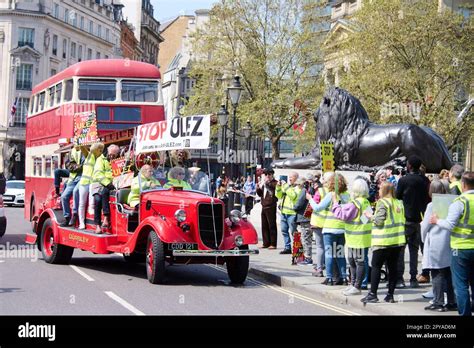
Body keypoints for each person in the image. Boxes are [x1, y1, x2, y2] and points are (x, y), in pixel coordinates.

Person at [430, 172, 474, 316]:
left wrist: (436, 221)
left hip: (461, 248)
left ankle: (465, 314)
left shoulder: (460, 202)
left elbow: (449, 224)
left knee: (461, 285)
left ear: (463, 184)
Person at [362, 182, 406, 303]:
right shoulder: (399, 203)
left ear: (385, 190)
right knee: (392, 268)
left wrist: (369, 216)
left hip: (383, 241)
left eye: (380, 188)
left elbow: (379, 221)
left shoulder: (383, 202)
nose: (378, 190)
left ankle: (372, 294)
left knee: (376, 266)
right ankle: (390, 295)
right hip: (397, 241)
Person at [307, 173, 350, 286]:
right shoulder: (347, 195)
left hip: (330, 228)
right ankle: (344, 277)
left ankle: (329, 278)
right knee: (340, 254)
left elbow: (317, 208)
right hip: (342, 228)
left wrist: (310, 199)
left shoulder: (331, 195)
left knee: (329, 254)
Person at [420, 180, 457, 312]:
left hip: (435, 241)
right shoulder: (452, 203)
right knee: (447, 272)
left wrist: (424, 239)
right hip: (449, 241)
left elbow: (425, 226)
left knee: (436, 272)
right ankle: (452, 301)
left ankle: (438, 302)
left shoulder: (431, 205)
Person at [332, 179, 372, 296]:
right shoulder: (366, 202)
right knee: (354, 261)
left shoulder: (355, 203)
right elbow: (364, 219)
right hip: (359, 237)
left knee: (357, 262)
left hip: (356, 238)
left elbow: (341, 215)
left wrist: (335, 202)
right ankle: (353, 284)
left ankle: (357, 286)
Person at [396, 155, 430, 288]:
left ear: (409, 166)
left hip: (405, 218)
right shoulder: (425, 180)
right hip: (420, 219)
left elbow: (398, 197)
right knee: (414, 251)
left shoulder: (404, 180)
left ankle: (399, 279)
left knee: (401, 250)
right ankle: (413, 278)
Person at [91, 144, 119, 234]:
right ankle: (98, 225)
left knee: (109, 194)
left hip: (111, 185)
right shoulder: (100, 159)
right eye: (110, 154)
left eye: (114, 155)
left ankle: (108, 220)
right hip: (98, 184)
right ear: (107, 151)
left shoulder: (117, 161)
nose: (111, 156)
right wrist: (108, 183)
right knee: (98, 200)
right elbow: (98, 175)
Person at [309, 172, 332, 277]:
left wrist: (309, 198)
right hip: (331, 222)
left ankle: (319, 268)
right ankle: (329, 268)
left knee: (320, 247)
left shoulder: (321, 191)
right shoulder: (336, 192)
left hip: (319, 222)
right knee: (329, 247)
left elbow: (315, 205)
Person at [77, 143, 103, 230]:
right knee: (81, 203)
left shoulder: (100, 158)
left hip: (92, 182)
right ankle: (81, 223)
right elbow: (82, 148)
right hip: (84, 182)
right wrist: (81, 141)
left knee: (91, 200)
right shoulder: (88, 155)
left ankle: (90, 209)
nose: (99, 150)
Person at [276, 172, 301, 254]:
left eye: (292, 177)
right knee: (284, 230)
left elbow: (293, 196)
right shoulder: (287, 187)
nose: (290, 178)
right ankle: (287, 247)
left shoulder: (298, 187)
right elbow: (279, 196)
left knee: (293, 231)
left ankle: (297, 248)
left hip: (292, 213)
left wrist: (286, 186)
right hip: (284, 212)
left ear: (296, 178)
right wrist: (278, 187)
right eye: (289, 177)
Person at [293, 173, 316, 264]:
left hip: (304, 217)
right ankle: (308, 257)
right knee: (308, 238)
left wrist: (294, 207)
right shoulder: (314, 190)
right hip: (311, 217)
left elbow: (299, 203)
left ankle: (308, 258)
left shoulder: (305, 190)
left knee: (305, 238)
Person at [60, 146, 83, 227]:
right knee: (64, 196)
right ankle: (67, 217)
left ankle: (74, 214)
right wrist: (79, 167)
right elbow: (68, 165)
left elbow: (85, 166)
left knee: (75, 191)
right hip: (73, 179)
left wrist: (76, 166)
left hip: (83, 178)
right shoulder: (71, 152)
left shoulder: (86, 151)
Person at [256, 168, 278, 249]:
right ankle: (266, 243)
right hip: (264, 205)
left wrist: (266, 183)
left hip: (271, 206)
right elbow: (260, 194)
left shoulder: (274, 183)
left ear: (272, 175)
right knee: (264, 225)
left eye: (269, 174)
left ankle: (273, 243)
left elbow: (273, 188)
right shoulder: (264, 184)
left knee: (271, 225)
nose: (267, 176)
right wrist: (258, 187)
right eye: (266, 174)